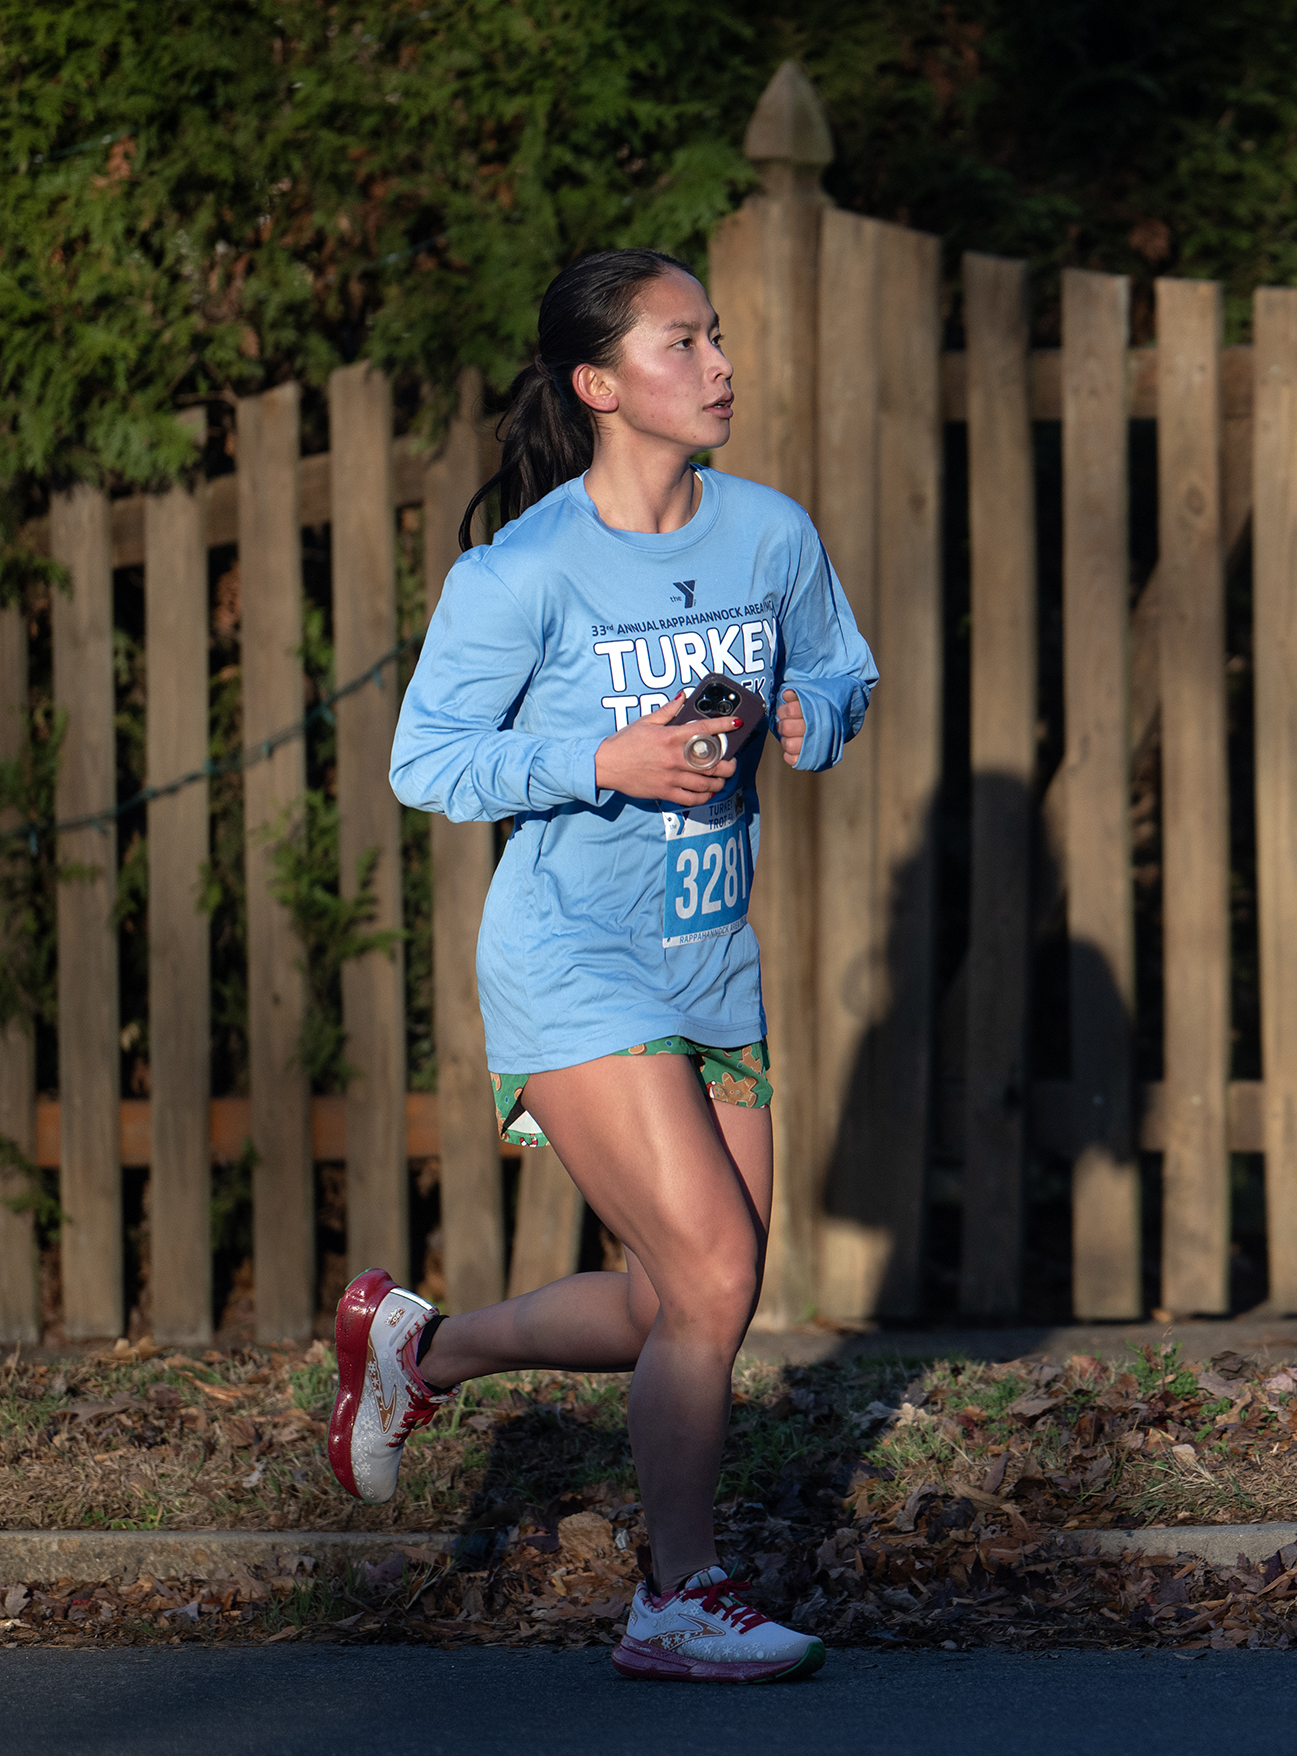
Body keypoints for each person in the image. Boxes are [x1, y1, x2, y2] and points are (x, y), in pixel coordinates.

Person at [329, 247, 875, 1684]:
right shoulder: (522, 572)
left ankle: (420, 1353)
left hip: (711, 956)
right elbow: (425, 761)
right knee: (711, 1272)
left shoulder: (770, 535)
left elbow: (842, 666)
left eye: (716, 338)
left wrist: (813, 713)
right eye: (681, 344)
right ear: (599, 386)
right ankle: (677, 1598)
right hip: (572, 959)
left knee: (680, 1302)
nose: (719, 367)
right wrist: (602, 758)